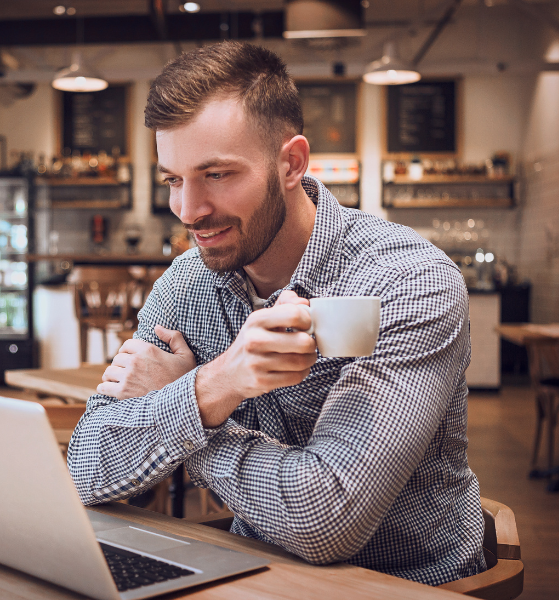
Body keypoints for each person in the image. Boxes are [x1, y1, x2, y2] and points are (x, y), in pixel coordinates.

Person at [67, 41, 485, 586]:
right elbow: (87, 468)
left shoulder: (406, 281)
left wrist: (193, 399)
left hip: (411, 586)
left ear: (291, 163)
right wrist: (213, 388)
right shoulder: (188, 285)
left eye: (216, 174)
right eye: (173, 179)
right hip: (251, 577)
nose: (188, 211)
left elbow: (325, 518)